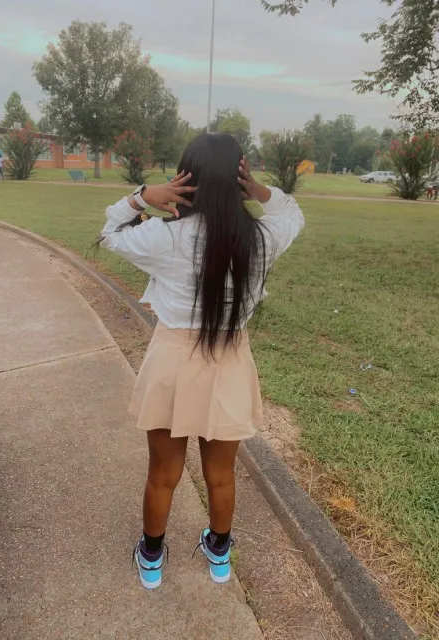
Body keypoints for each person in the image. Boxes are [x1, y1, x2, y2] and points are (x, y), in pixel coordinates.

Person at [99, 133, 305, 590]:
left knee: (163, 474)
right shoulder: (263, 239)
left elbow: (109, 234)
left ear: (184, 178)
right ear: (239, 177)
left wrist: (141, 197)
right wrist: (259, 190)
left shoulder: (163, 236)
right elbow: (292, 213)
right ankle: (219, 556)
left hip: (171, 364)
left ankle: (151, 558)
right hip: (228, 366)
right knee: (221, 475)